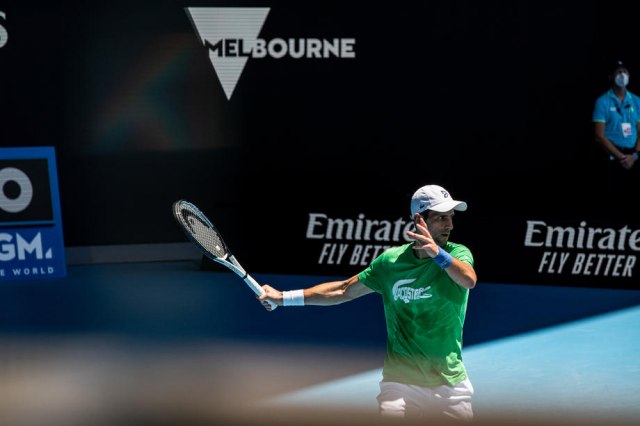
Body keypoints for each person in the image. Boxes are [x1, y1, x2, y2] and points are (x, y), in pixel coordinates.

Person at [259, 184, 477, 421]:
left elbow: (468, 279)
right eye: (441, 217)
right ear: (419, 219)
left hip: (450, 384)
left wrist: (437, 254)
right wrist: (283, 298)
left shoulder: (458, 254)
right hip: (401, 381)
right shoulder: (390, 263)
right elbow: (343, 290)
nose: (450, 225)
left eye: (451, 217)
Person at [592, 59, 640, 201]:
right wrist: (622, 157)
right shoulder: (602, 101)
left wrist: (634, 156)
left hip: (633, 158)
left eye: (625, 71)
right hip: (612, 158)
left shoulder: (637, 101)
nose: (622, 75)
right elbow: (599, 135)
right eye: (618, 72)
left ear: (629, 76)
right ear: (611, 76)